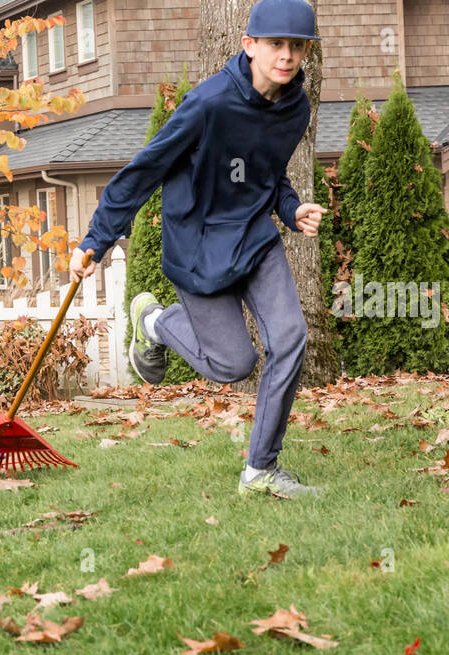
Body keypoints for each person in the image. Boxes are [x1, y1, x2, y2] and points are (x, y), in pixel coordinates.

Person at [70, 0, 327, 499]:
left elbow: (268, 175)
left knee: (291, 338)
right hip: (198, 245)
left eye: (297, 46)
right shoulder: (207, 105)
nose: (288, 55)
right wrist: (96, 240)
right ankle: (154, 323)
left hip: (254, 237)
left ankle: (261, 470)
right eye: (276, 43)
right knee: (234, 365)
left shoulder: (296, 108)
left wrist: (291, 210)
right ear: (249, 45)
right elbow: (145, 170)